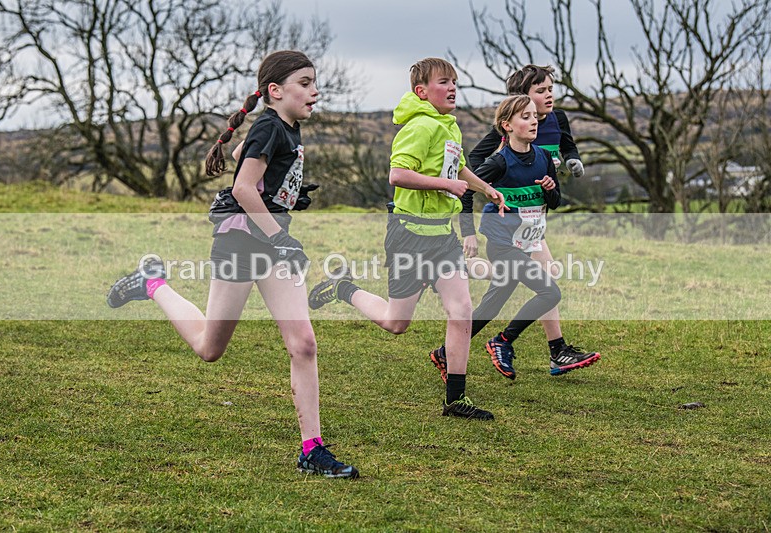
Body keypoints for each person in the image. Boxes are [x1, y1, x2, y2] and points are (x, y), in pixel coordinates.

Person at [105, 50, 358, 479]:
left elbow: (247, 163)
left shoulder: (287, 128)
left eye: (315, 82)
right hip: (242, 241)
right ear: (275, 91)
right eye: (305, 82)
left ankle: (311, 450)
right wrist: (281, 235)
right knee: (209, 348)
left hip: (271, 243)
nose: (315, 91)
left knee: (304, 343)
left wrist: (287, 197)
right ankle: (152, 283)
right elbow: (242, 188)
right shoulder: (269, 126)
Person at [308, 57, 507, 420]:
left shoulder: (448, 125)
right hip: (409, 237)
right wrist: (447, 185)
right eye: (443, 82)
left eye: (454, 83)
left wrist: (486, 189)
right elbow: (398, 174)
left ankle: (455, 399)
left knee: (462, 310)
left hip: (442, 237)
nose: (451, 88)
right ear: (421, 91)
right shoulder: (419, 127)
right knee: (396, 323)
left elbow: (457, 166)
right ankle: (343, 289)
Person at [431, 95, 598, 383]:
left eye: (534, 115)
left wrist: (549, 188)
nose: (534, 120)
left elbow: (555, 202)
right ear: (507, 125)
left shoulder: (544, 158)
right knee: (550, 292)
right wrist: (468, 231)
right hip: (502, 243)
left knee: (491, 306)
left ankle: (445, 352)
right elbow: (467, 189)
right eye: (525, 116)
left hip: (528, 241)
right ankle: (503, 341)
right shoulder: (499, 162)